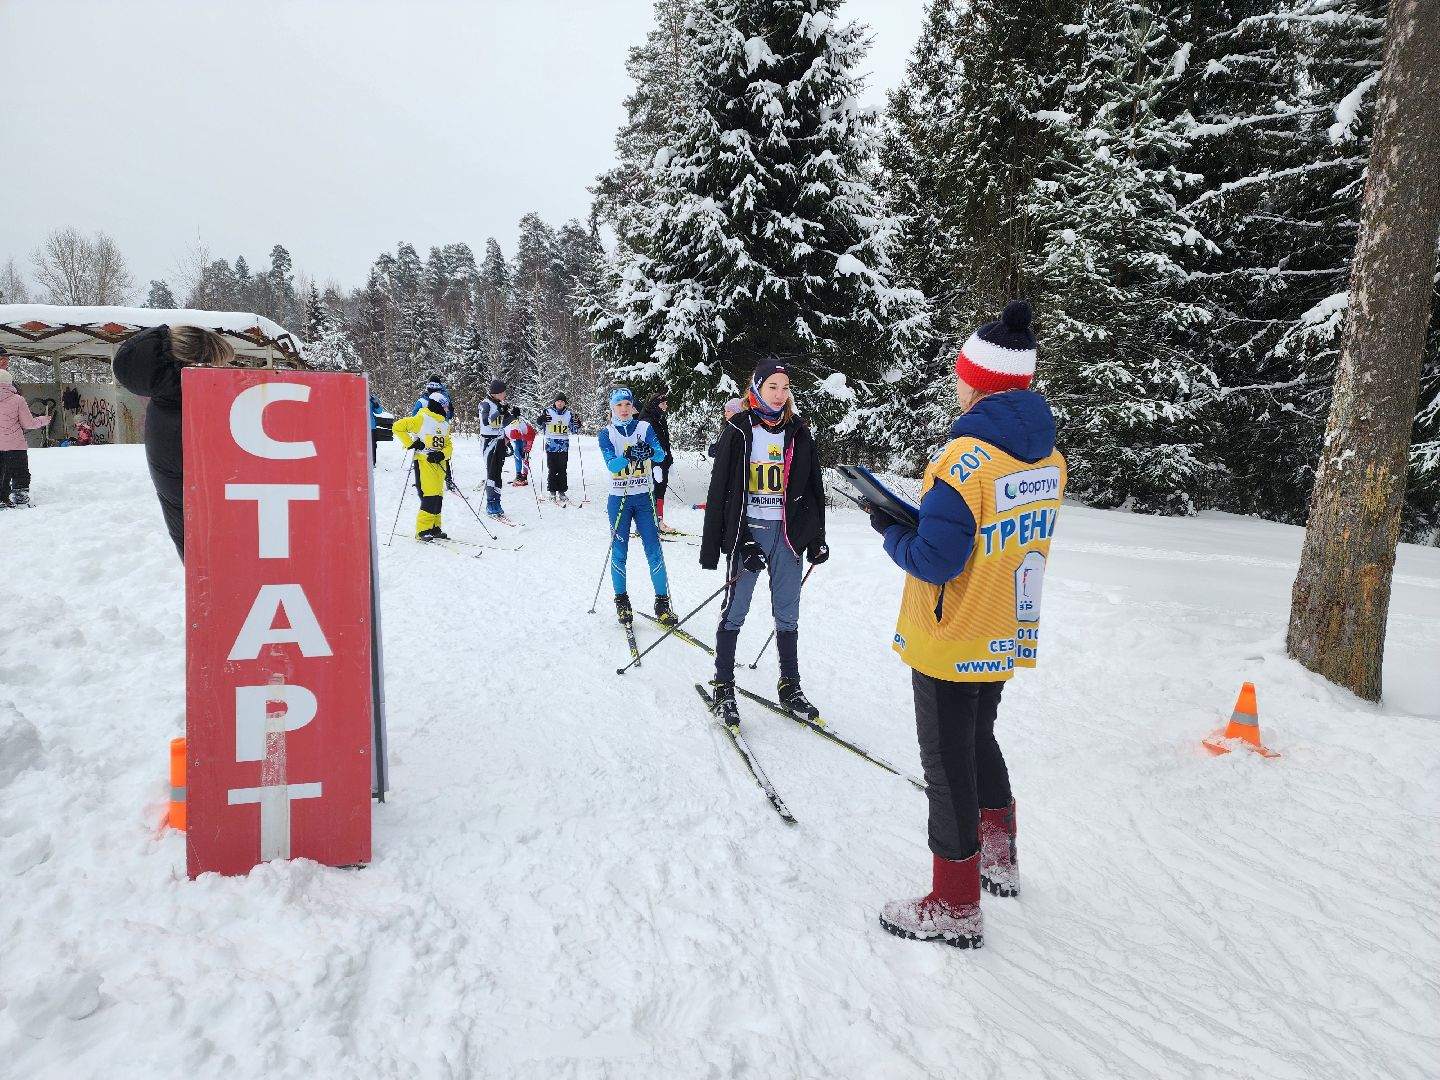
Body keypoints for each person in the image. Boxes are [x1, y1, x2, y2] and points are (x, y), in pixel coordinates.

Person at [867, 301, 1066, 950]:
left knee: (947, 764)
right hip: (1004, 624)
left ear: (975, 381)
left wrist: (891, 530)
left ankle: (955, 906)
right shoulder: (1048, 457)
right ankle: (998, 857)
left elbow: (937, 559)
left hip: (951, 635)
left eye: (960, 374)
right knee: (978, 738)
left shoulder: (963, 461)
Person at [699, 360, 828, 726]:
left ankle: (790, 685)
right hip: (750, 532)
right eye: (772, 386)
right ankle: (724, 685)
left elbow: (812, 490)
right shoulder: (739, 430)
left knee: (788, 613)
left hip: (787, 536)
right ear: (756, 387)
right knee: (735, 610)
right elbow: (722, 492)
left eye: (784, 387)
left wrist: (816, 537)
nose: (779, 394)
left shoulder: (798, 432)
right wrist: (741, 541)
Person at [111, 324, 236, 559]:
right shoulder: (185, 411)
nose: (226, 372)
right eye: (221, 365)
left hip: (197, 543)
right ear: (197, 366)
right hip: (209, 550)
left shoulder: (172, 401)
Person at [598, 387, 676, 627]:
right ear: (612, 408)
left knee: (654, 550)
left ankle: (662, 603)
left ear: (633, 406)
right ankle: (622, 601)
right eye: (619, 405)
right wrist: (630, 456)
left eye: (627, 404)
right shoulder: (607, 434)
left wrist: (650, 451)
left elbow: (661, 455)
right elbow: (612, 465)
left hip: (644, 498)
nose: (623, 409)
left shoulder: (644, 427)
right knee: (620, 552)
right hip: (619, 499)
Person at [391, 391, 455, 540]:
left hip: (439, 464)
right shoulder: (422, 418)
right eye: (445, 406)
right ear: (438, 406)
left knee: (438, 496)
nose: (447, 409)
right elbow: (397, 427)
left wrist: (442, 454)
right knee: (430, 495)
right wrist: (412, 443)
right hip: (424, 462)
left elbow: (448, 445)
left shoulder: (445, 424)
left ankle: (435, 527)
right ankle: (422, 530)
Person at [0, 369, 53, 508]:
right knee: (19, 471)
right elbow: (28, 423)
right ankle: (21, 498)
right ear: (9, 383)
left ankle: (2, 499)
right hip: (15, 445)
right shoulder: (18, 399)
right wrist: (43, 420)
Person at [640, 388, 679, 533]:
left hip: (662, 462)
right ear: (656, 405)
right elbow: (645, 445)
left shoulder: (660, 419)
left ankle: (659, 520)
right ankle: (646, 524)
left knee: (660, 491)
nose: (666, 406)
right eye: (663, 404)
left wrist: (669, 461)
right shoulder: (647, 421)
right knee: (652, 492)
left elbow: (665, 443)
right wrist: (655, 464)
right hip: (652, 464)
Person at [477, 379, 514, 518]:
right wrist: (499, 412)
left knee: (498, 473)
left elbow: (504, 423)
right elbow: (486, 421)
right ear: (497, 392)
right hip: (489, 441)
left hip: (499, 441)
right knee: (491, 473)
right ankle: (490, 503)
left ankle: (497, 502)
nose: (505, 394)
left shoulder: (498, 404)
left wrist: (514, 416)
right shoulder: (485, 404)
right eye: (504, 391)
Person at [537, 392, 579, 505]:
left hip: (563, 446)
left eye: (562, 401)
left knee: (562, 470)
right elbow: (539, 427)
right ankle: (552, 492)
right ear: (555, 402)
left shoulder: (569, 414)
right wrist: (540, 420)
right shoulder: (548, 411)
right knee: (552, 469)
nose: (560, 403)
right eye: (558, 401)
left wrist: (577, 424)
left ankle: (562, 492)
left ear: (565, 403)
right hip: (551, 445)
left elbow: (574, 430)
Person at [505, 413, 537, 486]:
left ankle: (524, 476)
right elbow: (506, 439)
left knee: (523, 456)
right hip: (517, 438)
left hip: (525, 437)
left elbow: (531, 437)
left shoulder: (524, 427)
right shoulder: (506, 429)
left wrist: (527, 450)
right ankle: (519, 475)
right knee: (517, 454)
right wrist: (509, 447)